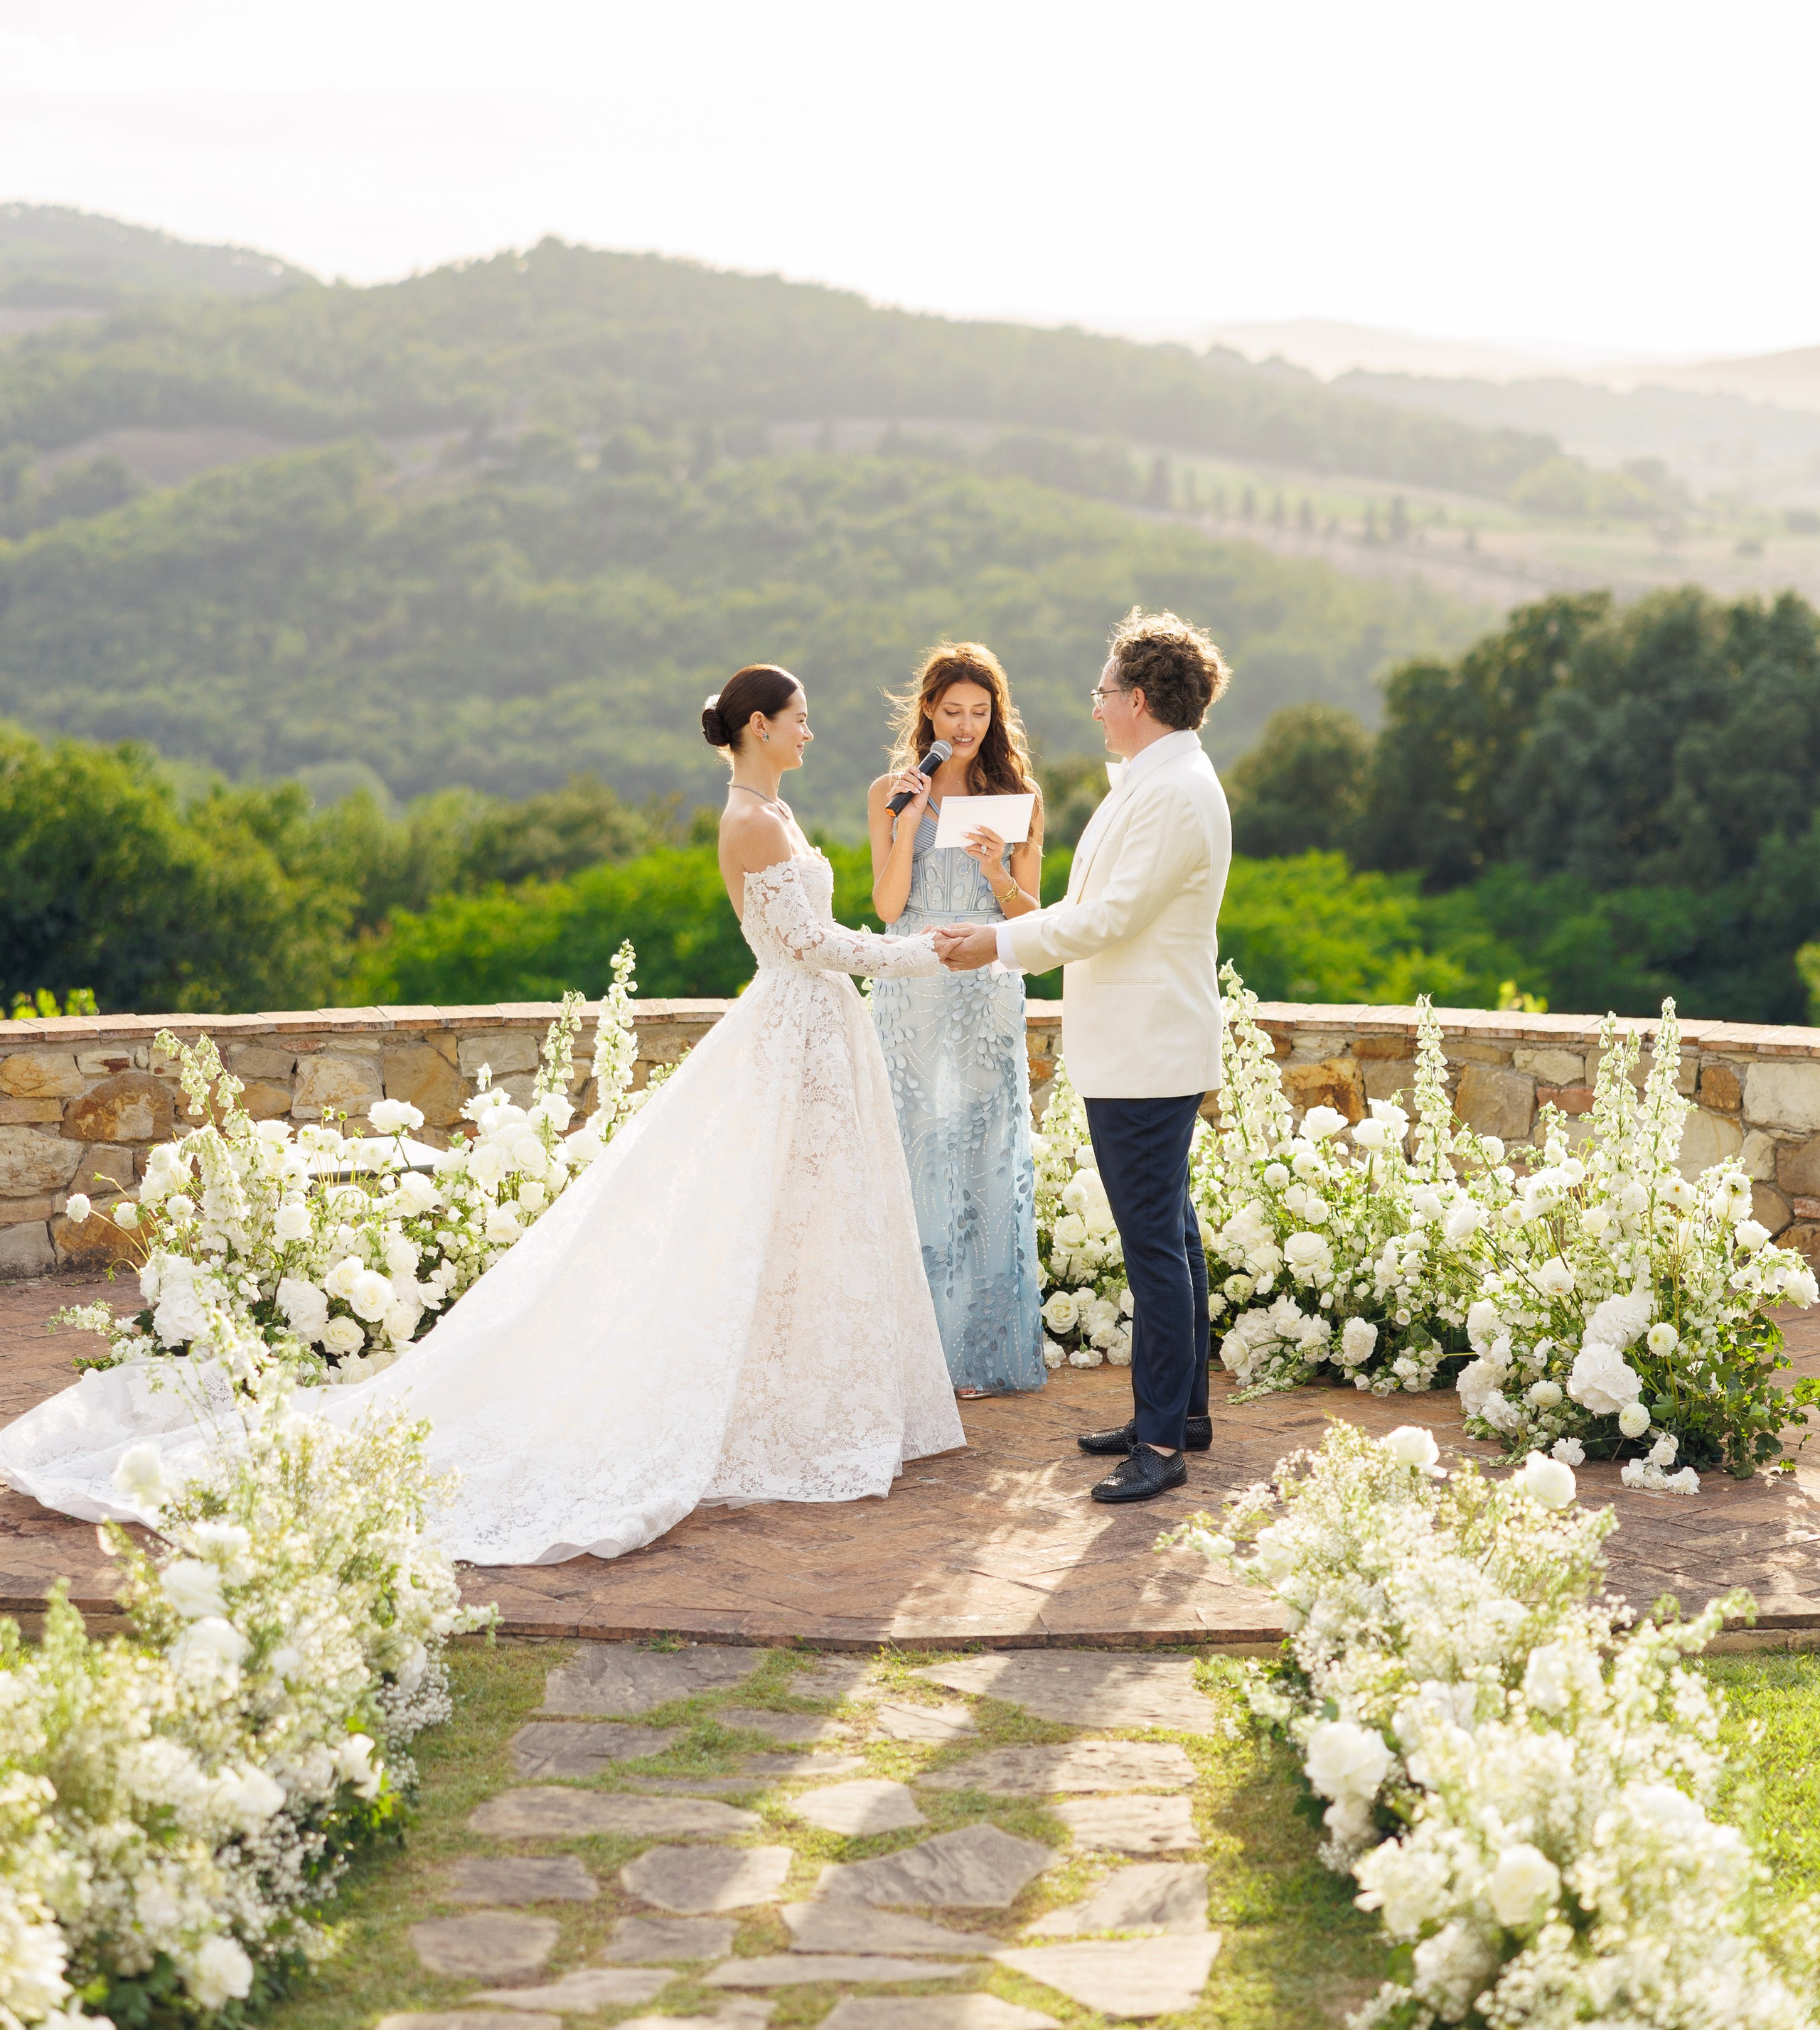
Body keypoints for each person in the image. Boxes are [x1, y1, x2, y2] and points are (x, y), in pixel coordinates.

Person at [0, 666, 964, 1564]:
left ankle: (802, 1403)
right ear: (760, 726)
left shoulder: (780, 809)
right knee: (751, 1220)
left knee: (808, 1221)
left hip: (816, 1039)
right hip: (794, 1027)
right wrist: (935, 953)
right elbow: (814, 948)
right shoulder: (749, 822)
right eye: (799, 718)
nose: (811, 731)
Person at [933, 610, 1231, 1505]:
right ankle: (1180, 1416)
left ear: (1137, 698)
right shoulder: (1156, 778)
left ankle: (1160, 1445)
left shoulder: (1173, 791)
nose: (1094, 705)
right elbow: (1092, 906)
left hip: (1147, 1050)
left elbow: (1107, 920)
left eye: (1104, 691)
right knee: (1171, 1232)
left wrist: (994, 943)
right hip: (1142, 1043)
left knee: (1154, 1250)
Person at [866, 643, 1047, 1399]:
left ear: (994, 715)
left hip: (983, 983)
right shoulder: (890, 788)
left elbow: (1034, 919)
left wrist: (996, 868)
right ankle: (910, 1350)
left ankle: (973, 1352)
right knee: (911, 1148)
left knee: (981, 1148)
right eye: (953, 711)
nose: (967, 724)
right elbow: (883, 907)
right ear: (929, 713)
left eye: (980, 712)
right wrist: (904, 830)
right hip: (911, 982)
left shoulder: (1020, 794)